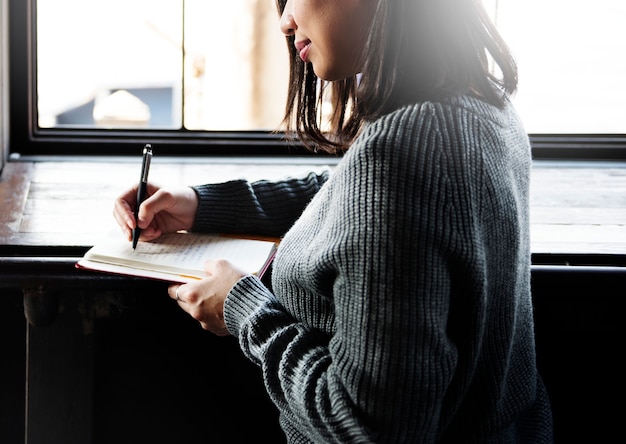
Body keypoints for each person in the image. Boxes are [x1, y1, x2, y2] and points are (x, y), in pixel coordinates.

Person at [113, 0, 554, 442]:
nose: (285, 23)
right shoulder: (480, 107)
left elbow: (369, 427)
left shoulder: (400, 156)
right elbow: (346, 194)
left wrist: (245, 311)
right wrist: (200, 204)